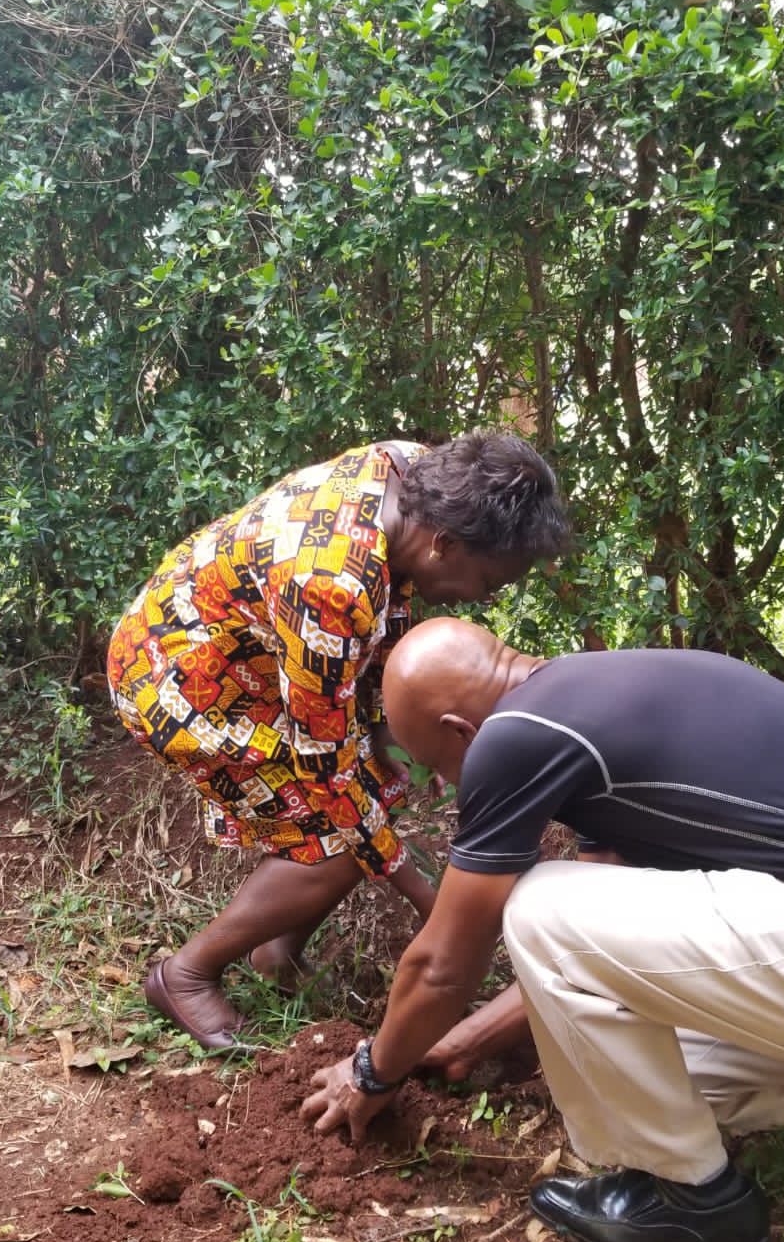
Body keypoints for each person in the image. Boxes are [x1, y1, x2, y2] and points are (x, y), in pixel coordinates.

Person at [301, 617, 784, 1242]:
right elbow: (592, 951)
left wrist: (373, 1072)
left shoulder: (518, 733)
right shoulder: (606, 697)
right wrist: (460, 1046)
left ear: (461, 730)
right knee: (659, 1080)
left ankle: (696, 1201)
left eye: (443, 768)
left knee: (538, 900)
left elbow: (443, 964)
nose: (455, 783)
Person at [108, 439, 568, 1050]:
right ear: (443, 545)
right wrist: (429, 901)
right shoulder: (331, 585)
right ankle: (186, 975)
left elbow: (372, 632)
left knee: (367, 798)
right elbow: (326, 772)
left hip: (253, 657)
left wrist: (383, 736)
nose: (482, 599)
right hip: (178, 680)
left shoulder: (412, 473)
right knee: (340, 840)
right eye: (486, 580)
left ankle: (276, 953)